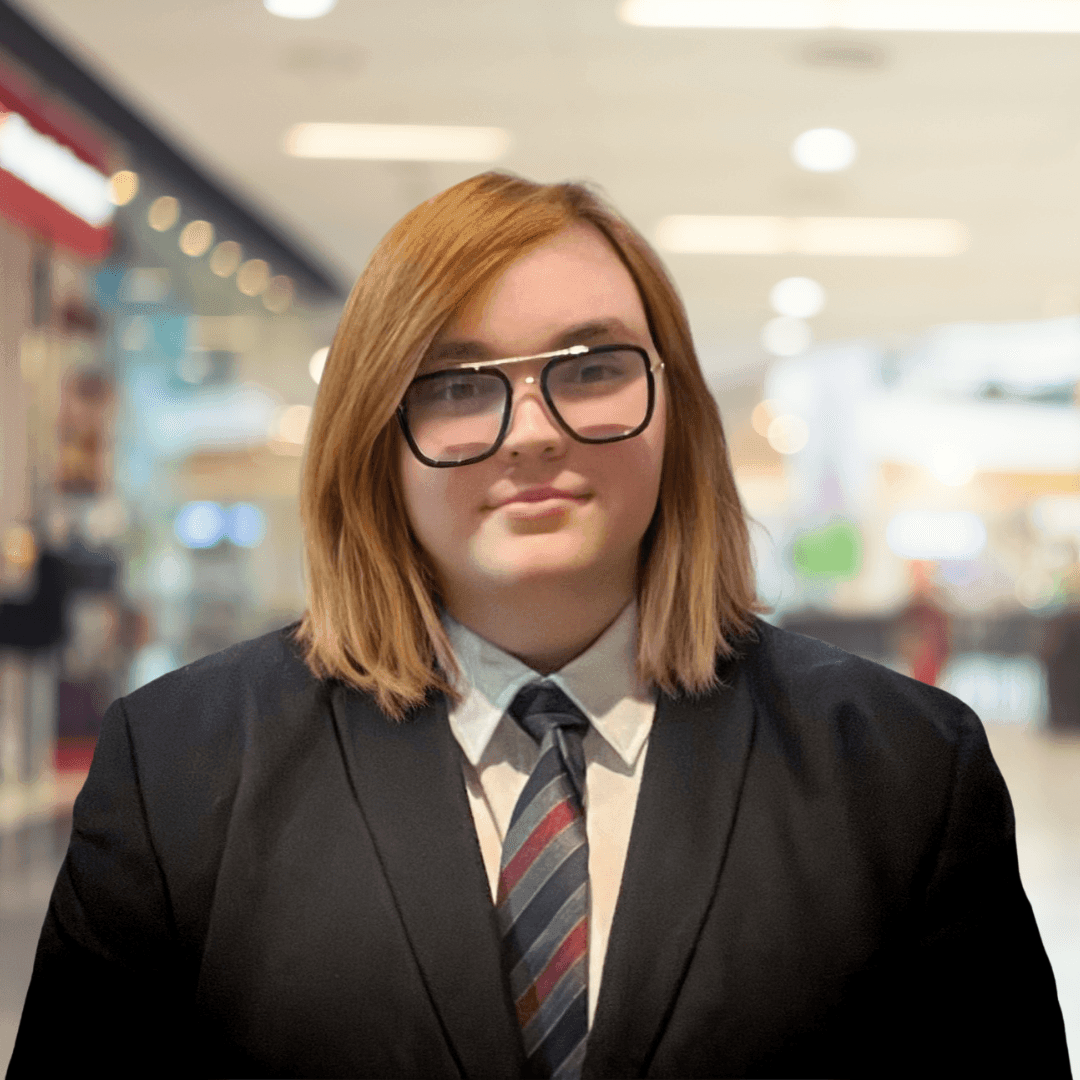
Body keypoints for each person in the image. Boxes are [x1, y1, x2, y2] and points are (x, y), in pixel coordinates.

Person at [9, 173, 1071, 1079]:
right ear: (375, 434)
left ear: (676, 411)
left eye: (594, 369)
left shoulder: (901, 771)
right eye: (459, 385)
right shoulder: (183, 765)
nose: (531, 433)